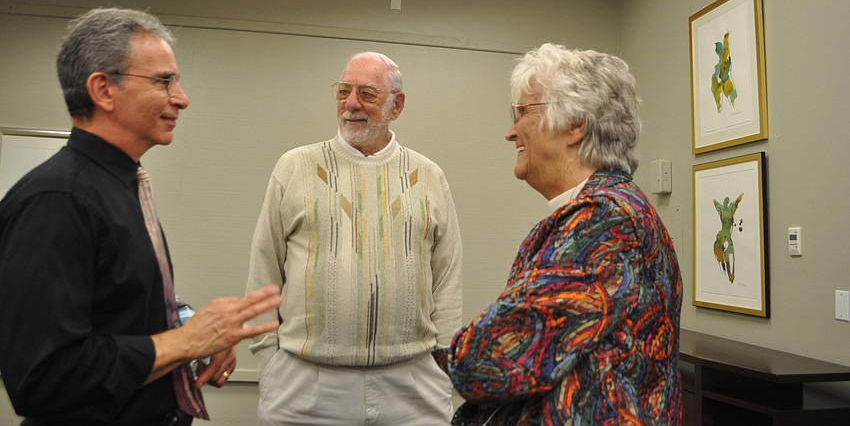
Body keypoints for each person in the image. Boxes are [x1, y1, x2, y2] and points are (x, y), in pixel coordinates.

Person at [0, 8, 281, 426]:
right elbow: (43, 377)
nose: (181, 98)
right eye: (163, 81)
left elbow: (121, 304)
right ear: (103, 90)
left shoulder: (120, 186)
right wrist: (185, 341)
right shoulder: (56, 200)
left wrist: (193, 328)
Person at [434, 43, 682, 424]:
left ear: (575, 124)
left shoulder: (603, 221)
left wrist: (437, 353)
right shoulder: (617, 209)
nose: (510, 131)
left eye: (522, 112)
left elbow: (486, 361)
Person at [246, 51, 463, 425]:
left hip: (412, 386)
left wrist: (444, 364)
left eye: (367, 93)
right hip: (305, 386)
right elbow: (264, 271)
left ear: (397, 105)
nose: (351, 104)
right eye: (343, 91)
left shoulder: (429, 176)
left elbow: (447, 278)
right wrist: (269, 365)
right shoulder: (294, 167)